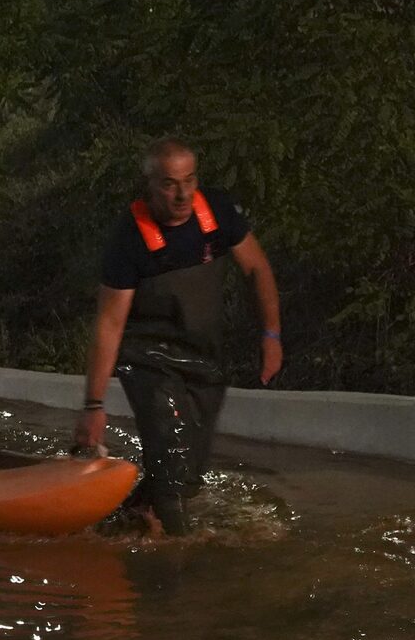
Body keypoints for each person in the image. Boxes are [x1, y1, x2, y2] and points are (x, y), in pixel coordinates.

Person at [74, 137, 282, 535]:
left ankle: (116, 525)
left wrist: (271, 335)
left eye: (190, 180)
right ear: (151, 185)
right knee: (170, 464)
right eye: (170, 184)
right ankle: (182, 558)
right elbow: (110, 323)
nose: (183, 194)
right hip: (148, 359)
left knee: (186, 476)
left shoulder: (218, 211)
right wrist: (94, 404)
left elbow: (258, 269)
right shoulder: (128, 239)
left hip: (204, 357)